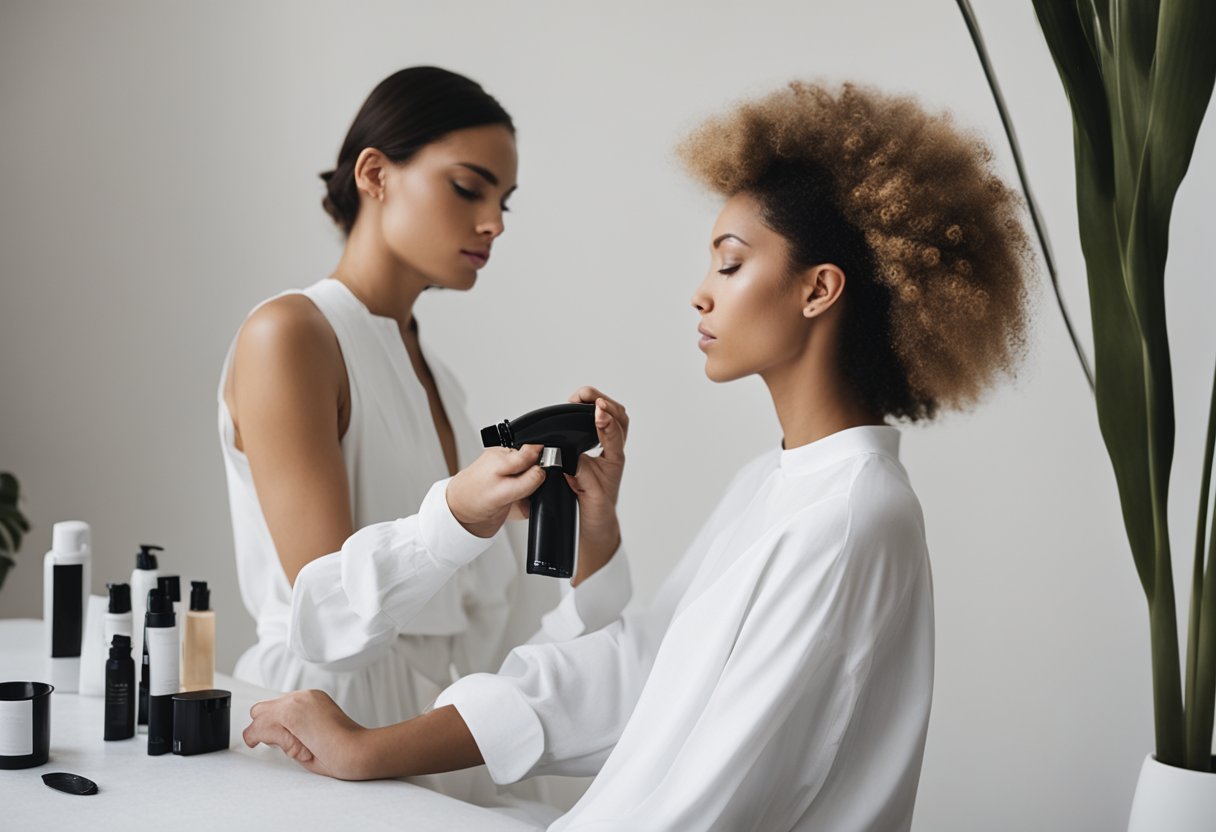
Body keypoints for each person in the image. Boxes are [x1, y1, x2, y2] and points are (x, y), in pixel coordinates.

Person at [242, 81, 1033, 831]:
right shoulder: (775, 483)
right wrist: (368, 747)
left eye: (729, 262)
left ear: (818, 290)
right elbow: (640, 674)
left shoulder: (853, 514)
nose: (700, 292)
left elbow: (702, 801)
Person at [217, 66, 632, 747]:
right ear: (375, 174)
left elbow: (484, 610)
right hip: (321, 723)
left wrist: (587, 516)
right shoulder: (289, 334)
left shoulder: (435, 375)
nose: (494, 222)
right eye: (468, 187)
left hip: (434, 723)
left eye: (505, 201)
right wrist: (458, 512)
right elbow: (328, 620)